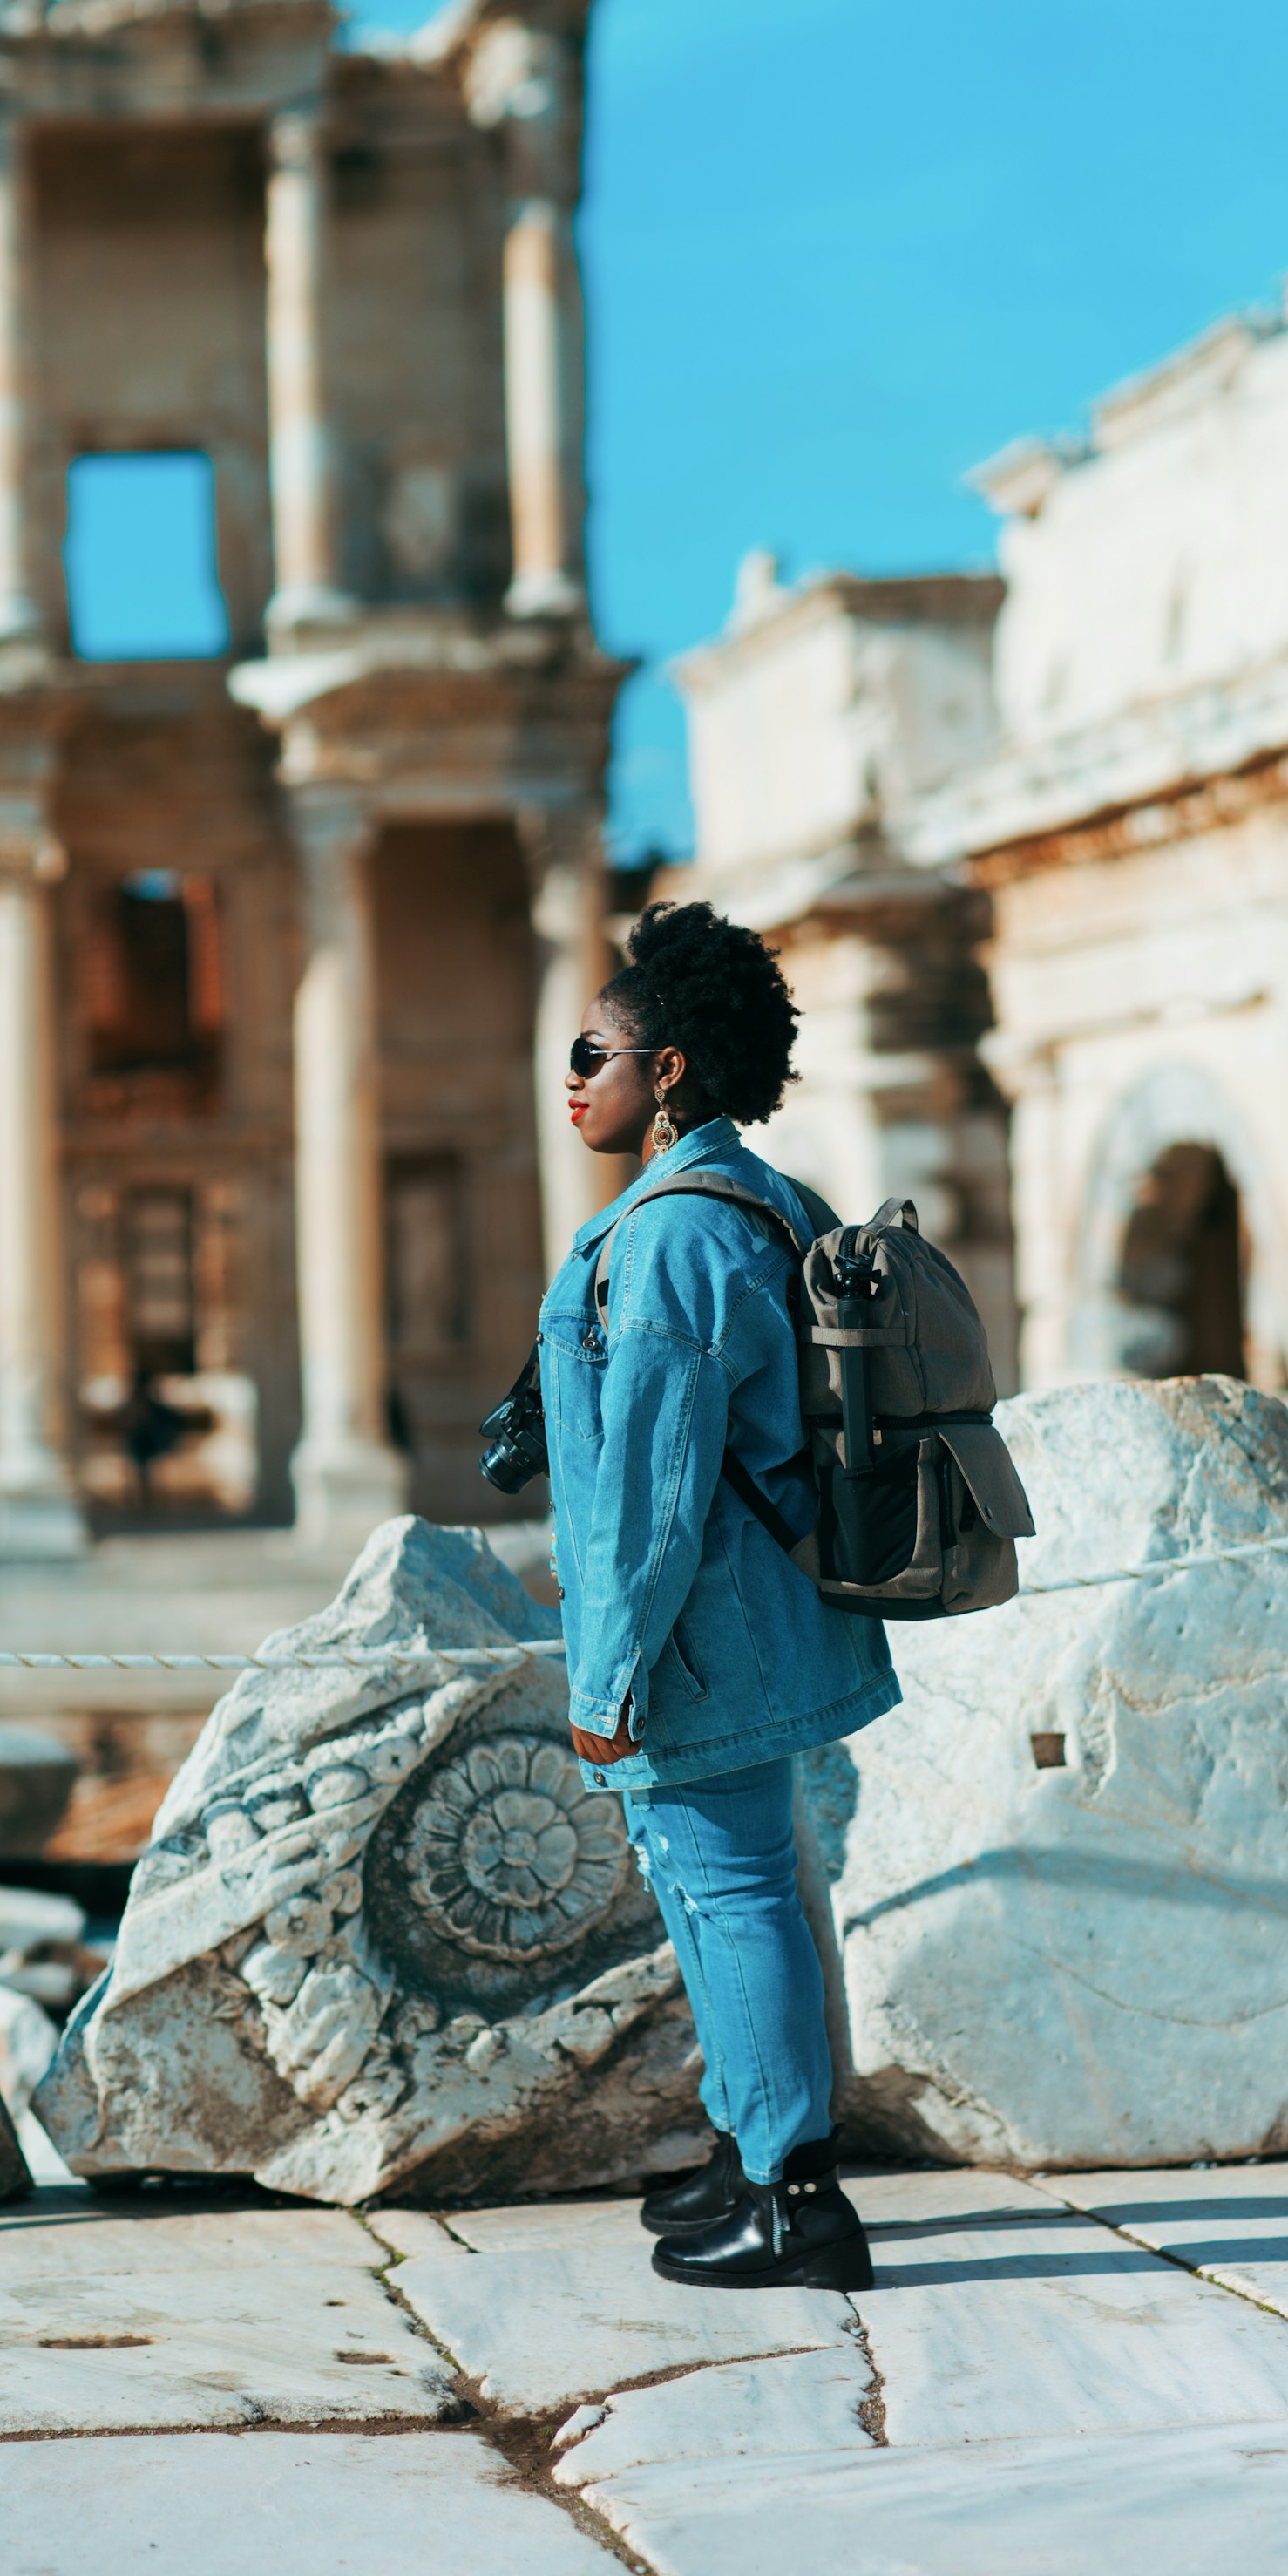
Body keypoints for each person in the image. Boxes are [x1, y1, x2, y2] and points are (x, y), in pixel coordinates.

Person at [546, 901, 895, 2291]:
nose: (571, 1077)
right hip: (757, 1615)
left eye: (593, 1051)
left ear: (669, 1068)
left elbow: (655, 1483)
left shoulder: (682, 1233)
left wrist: (606, 1675)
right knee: (712, 1884)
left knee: (735, 1889)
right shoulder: (761, 1195)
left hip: (704, 1637)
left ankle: (799, 2199)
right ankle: (749, 2149)